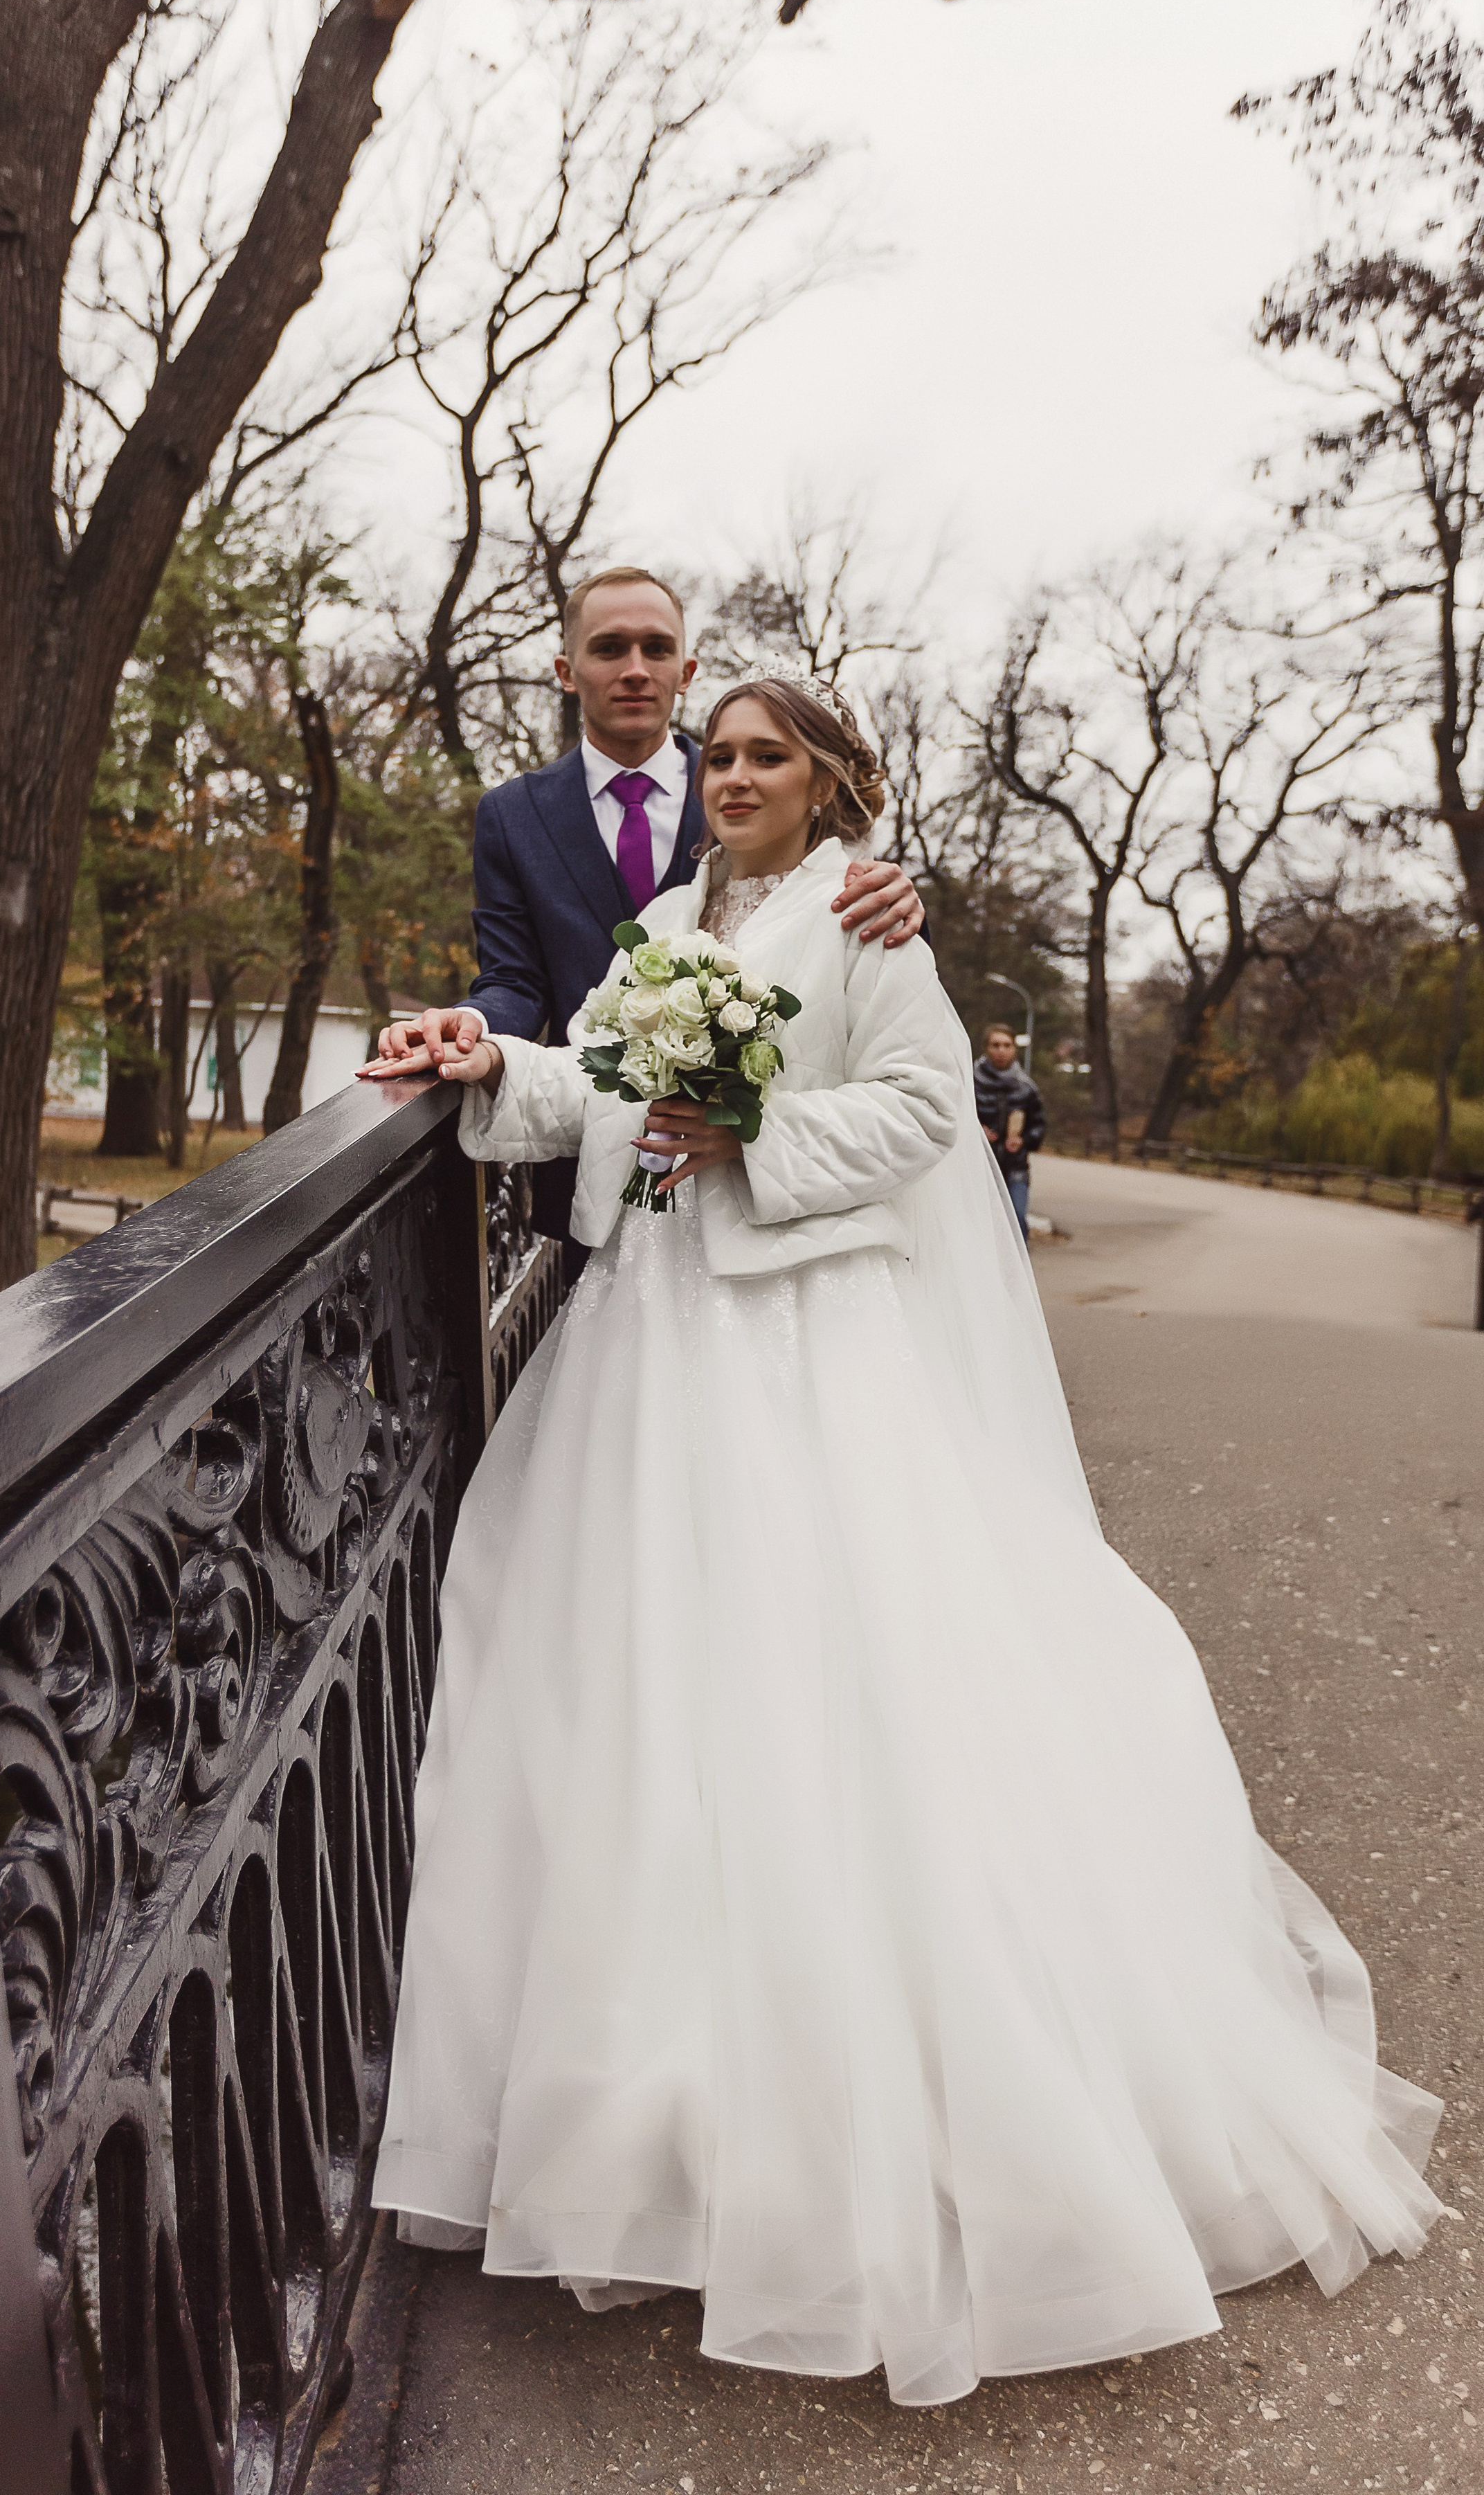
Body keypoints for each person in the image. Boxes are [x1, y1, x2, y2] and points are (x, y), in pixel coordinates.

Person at [369, 667, 1440, 2406]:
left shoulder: (869, 926)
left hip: (797, 1345)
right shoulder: (660, 919)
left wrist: (750, 1134)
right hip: (644, 1345)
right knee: (637, 1709)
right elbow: (601, 1092)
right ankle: (656, 2120)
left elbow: (922, 1109)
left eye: (759, 754)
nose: (726, 775)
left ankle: (874, 2143)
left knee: (822, 1700)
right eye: (712, 755)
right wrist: (485, 1052)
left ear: (825, 783)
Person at [359, 566, 923, 1268]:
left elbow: (891, 1048)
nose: (635, 670)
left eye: (656, 649)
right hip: (598, 1184)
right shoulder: (513, 815)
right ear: (567, 670)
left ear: (686, 670)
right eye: (609, 648)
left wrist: (899, 896)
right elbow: (517, 981)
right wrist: (472, 1034)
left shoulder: (750, 801)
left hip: (790, 1222)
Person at [975, 1020, 1046, 1240]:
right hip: (980, 1167)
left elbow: (1039, 1127)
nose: (1001, 1051)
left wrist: (1022, 1140)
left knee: (1016, 1218)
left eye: (1007, 1045)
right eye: (995, 1045)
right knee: (981, 1225)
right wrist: (977, 1132)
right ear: (987, 1048)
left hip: (1015, 1167)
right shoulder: (970, 1082)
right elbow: (954, 1119)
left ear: (1014, 1049)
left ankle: (1019, 1273)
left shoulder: (1026, 1088)